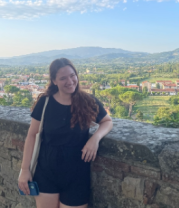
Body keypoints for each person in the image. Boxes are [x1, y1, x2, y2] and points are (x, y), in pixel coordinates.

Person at [18, 58, 113, 208]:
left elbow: (107, 122)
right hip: (46, 172)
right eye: (63, 78)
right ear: (54, 81)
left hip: (77, 175)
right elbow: (32, 135)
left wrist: (95, 138)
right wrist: (24, 170)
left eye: (72, 75)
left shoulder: (87, 101)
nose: (70, 81)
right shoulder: (45, 102)